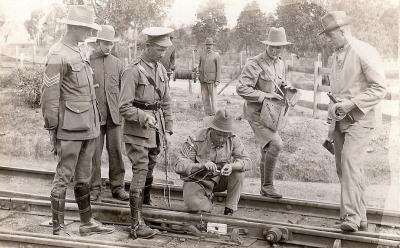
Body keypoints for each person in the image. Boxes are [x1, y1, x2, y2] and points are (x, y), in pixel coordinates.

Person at [40, 5, 114, 236]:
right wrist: (53, 128)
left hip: (88, 126)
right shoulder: (57, 54)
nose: (88, 34)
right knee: (63, 175)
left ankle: (86, 223)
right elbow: (49, 97)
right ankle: (58, 227)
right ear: (73, 28)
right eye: (85, 29)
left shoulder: (80, 51)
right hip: (69, 128)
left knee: (83, 177)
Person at [319, 11, 386, 232]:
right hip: (340, 119)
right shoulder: (334, 56)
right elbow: (337, 89)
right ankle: (362, 216)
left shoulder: (364, 51)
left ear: (343, 31)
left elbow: (379, 88)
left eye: (331, 35)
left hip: (361, 118)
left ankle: (350, 217)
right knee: (345, 167)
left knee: (349, 162)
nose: (329, 39)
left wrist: (351, 103)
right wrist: (334, 110)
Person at [120, 27, 174, 239]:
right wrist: (144, 117)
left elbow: (166, 101)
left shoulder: (160, 69)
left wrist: (168, 128)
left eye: (165, 50)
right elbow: (123, 107)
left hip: (156, 130)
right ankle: (135, 225)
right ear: (148, 46)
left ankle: (145, 208)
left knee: (150, 168)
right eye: (160, 49)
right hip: (137, 131)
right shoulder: (132, 71)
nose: (163, 53)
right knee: (141, 170)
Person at [236, 27, 292, 199]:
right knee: (276, 144)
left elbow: (279, 82)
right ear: (267, 45)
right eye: (273, 47)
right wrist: (265, 96)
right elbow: (241, 88)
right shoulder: (254, 63)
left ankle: (264, 189)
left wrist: (287, 88)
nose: (276, 50)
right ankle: (268, 185)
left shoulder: (280, 63)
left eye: (280, 47)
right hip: (256, 113)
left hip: (272, 115)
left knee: (267, 147)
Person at [174, 109, 251, 215]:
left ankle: (229, 209)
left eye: (225, 136)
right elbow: (179, 166)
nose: (222, 139)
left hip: (220, 180)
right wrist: (202, 165)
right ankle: (206, 204)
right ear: (211, 129)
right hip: (199, 181)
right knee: (196, 207)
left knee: (239, 172)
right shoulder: (195, 139)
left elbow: (247, 161)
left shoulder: (232, 139)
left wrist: (232, 166)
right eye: (219, 135)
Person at [88, 25, 129, 202]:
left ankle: (117, 187)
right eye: (105, 43)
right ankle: (94, 188)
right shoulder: (88, 62)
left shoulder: (119, 64)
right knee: (93, 154)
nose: (108, 47)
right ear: (98, 42)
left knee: (116, 153)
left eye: (110, 44)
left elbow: (124, 91)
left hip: (115, 116)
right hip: (95, 117)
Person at [198, 37, 221, 116]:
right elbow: (199, 66)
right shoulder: (202, 55)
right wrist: (199, 76)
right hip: (203, 80)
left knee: (213, 99)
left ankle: (215, 116)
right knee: (205, 98)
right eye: (207, 45)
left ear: (212, 46)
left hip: (212, 81)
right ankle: (208, 114)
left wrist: (217, 80)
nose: (208, 46)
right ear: (205, 45)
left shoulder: (216, 55)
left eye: (210, 45)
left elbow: (219, 69)